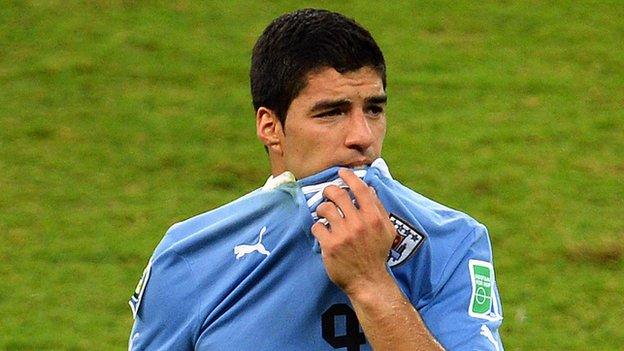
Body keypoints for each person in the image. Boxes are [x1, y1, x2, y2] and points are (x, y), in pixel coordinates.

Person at [128, 8, 504, 351]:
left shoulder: (449, 241)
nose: (363, 135)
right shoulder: (191, 257)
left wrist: (371, 285)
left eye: (373, 109)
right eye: (331, 113)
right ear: (271, 127)